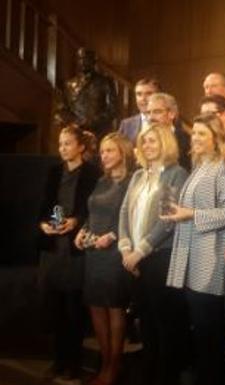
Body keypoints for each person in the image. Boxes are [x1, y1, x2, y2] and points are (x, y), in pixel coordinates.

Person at [164, 113, 225, 385]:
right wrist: (178, 214)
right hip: (191, 258)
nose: (195, 138)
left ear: (216, 139)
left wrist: (191, 214)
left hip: (209, 263)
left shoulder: (221, 167)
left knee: (211, 337)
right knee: (202, 335)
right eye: (193, 133)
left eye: (202, 134)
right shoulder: (199, 166)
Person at [117, 123, 189, 385]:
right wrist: (126, 248)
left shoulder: (175, 174)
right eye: (144, 141)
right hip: (134, 258)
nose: (147, 146)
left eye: (153, 141)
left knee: (165, 324)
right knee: (145, 321)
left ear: (166, 143)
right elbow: (124, 212)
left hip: (160, 258)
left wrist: (141, 250)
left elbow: (168, 219)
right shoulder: (138, 176)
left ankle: (166, 377)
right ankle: (149, 374)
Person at [38, 124, 100, 381]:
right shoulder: (54, 171)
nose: (63, 148)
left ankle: (74, 362)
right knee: (55, 307)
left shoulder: (91, 173)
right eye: (61, 144)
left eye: (68, 144)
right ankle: (58, 359)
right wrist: (43, 224)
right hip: (53, 247)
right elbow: (44, 206)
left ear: (81, 147)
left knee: (74, 308)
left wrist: (75, 222)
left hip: (75, 248)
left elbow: (91, 210)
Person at [75, 132, 135, 385]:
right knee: (95, 306)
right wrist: (82, 230)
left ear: (122, 152)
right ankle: (105, 361)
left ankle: (114, 366)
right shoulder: (101, 181)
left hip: (114, 252)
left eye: (109, 150)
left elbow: (133, 218)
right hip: (93, 252)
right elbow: (92, 212)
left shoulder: (133, 181)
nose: (104, 155)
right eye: (102, 151)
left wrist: (111, 236)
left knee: (113, 307)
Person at [54, 48, 118, 140]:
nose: (83, 62)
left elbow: (112, 109)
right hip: (75, 134)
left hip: (99, 133)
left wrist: (92, 122)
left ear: (94, 61)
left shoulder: (106, 82)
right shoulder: (69, 84)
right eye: (80, 59)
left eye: (87, 59)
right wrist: (74, 122)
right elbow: (61, 110)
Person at [146, 92, 191, 171]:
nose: (151, 117)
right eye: (148, 113)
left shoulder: (186, 140)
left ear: (172, 114)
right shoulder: (143, 141)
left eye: (157, 112)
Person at [119, 78, 160, 144]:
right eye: (139, 94)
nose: (143, 98)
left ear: (159, 96)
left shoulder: (167, 121)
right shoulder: (126, 125)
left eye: (148, 94)